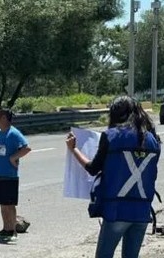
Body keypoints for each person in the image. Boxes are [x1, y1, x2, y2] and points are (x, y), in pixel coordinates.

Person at [66, 96, 161, 258]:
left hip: (117, 210)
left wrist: (73, 149)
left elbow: (93, 168)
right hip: (142, 210)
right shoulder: (152, 140)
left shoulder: (111, 136)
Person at [0, 107, 31, 242]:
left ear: (3, 118)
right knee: (2, 204)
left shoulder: (14, 133)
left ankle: (13, 231)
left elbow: (26, 148)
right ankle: (6, 229)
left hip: (9, 175)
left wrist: (13, 158)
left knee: (9, 204)